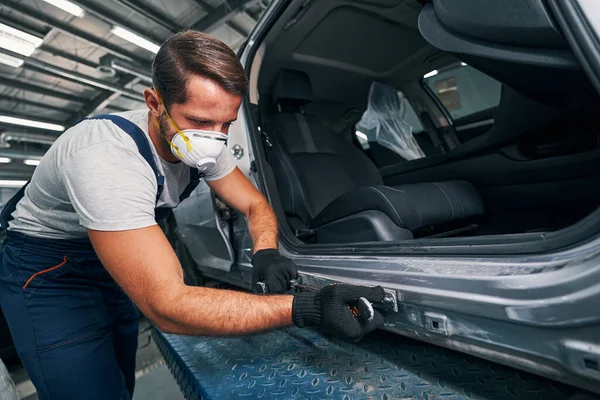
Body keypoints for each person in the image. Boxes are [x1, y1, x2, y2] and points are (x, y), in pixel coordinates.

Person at [0, 31, 385, 400]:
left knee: (119, 369)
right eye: (199, 122)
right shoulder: (106, 158)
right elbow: (168, 306)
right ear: (154, 103)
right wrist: (310, 307)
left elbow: (255, 205)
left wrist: (265, 251)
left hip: (109, 255)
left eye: (226, 125)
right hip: (48, 270)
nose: (214, 139)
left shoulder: (203, 144)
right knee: (87, 388)